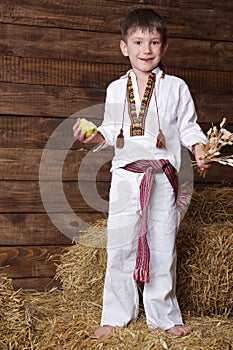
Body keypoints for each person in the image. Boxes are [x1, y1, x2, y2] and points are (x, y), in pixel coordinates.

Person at [73, 8, 209, 339]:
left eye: (153, 42)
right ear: (125, 47)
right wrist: (94, 136)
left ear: (163, 48)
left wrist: (200, 150)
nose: (145, 49)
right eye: (138, 42)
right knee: (120, 245)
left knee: (163, 245)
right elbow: (109, 128)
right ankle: (116, 316)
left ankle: (164, 317)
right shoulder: (116, 90)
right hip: (126, 177)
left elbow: (190, 127)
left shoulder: (175, 87)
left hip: (163, 178)